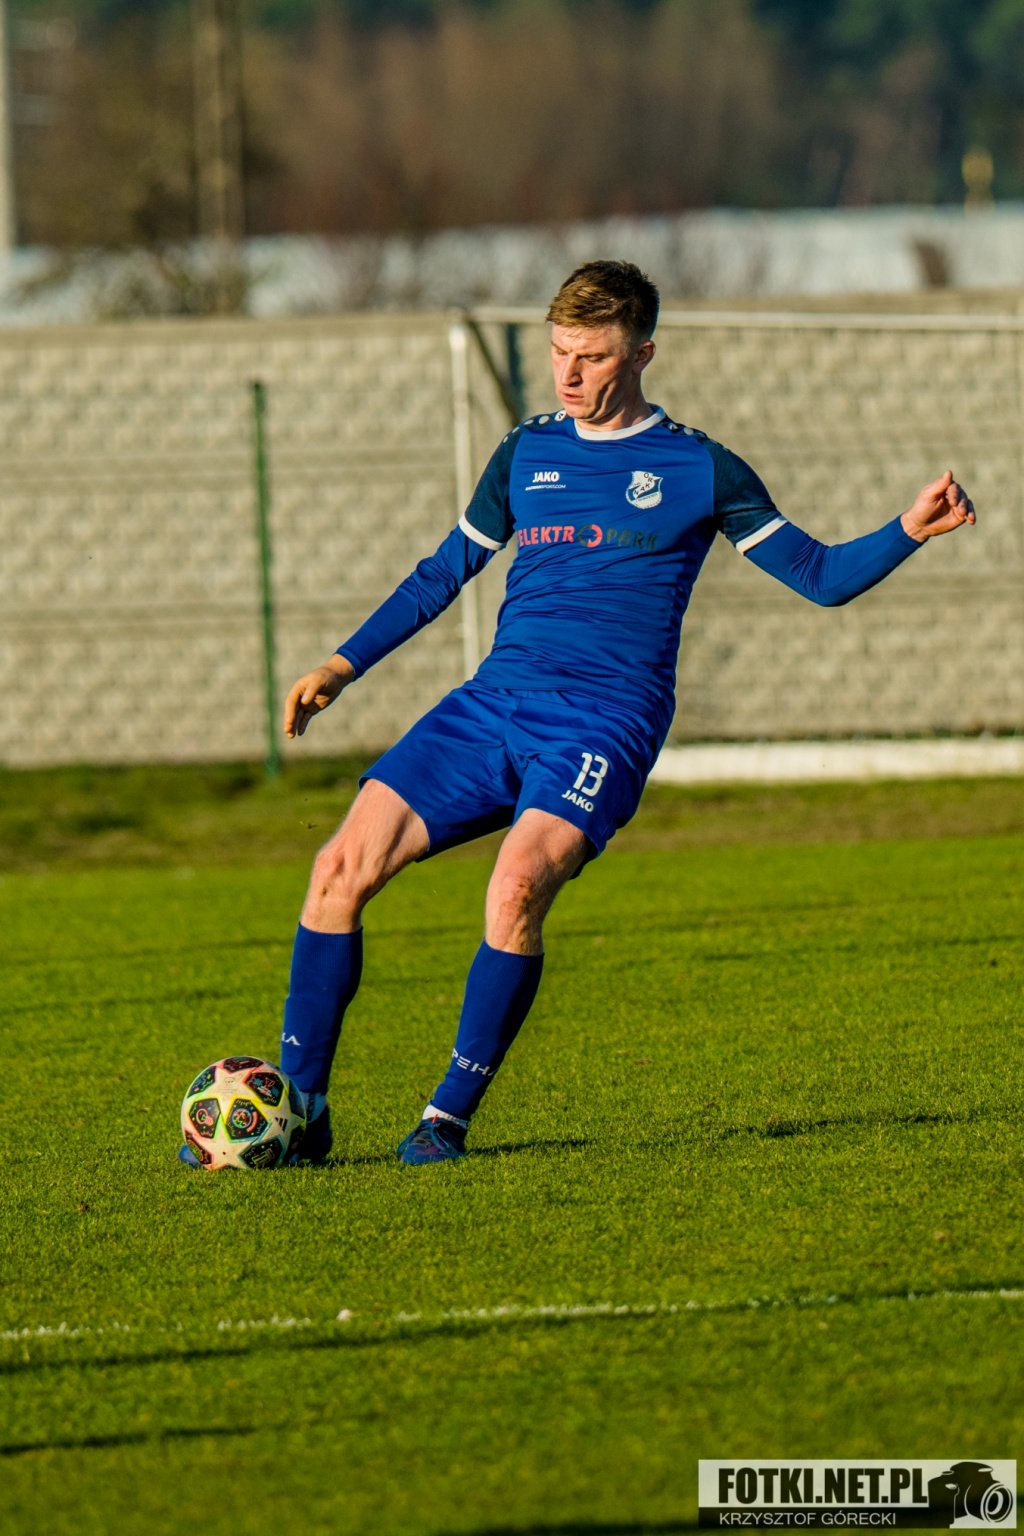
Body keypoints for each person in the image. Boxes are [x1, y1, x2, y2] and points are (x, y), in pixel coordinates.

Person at [182, 259, 975, 1169]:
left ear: (641, 353)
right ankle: (301, 1111)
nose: (567, 373)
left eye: (591, 356)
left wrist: (908, 530)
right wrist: (340, 664)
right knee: (336, 869)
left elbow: (820, 577)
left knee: (516, 887)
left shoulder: (700, 468)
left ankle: (444, 1121)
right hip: (493, 703)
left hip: (603, 722)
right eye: (559, 351)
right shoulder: (526, 452)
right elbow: (444, 572)